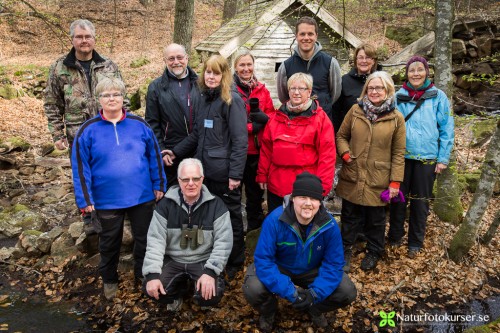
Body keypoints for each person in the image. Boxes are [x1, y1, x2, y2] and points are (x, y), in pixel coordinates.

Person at [71, 78, 166, 300]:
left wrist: (159, 184)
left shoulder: (139, 125)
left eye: (116, 94)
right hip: (106, 200)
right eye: (106, 95)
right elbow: (80, 167)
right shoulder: (87, 130)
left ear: (123, 97)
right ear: (98, 100)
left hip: (142, 196)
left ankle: (142, 276)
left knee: (144, 239)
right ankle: (110, 280)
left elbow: (154, 156)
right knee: (109, 243)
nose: (111, 98)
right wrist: (85, 200)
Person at [165, 55, 247, 279]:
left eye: (216, 73)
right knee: (208, 218)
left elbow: (240, 141)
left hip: (224, 175)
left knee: (231, 218)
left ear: (224, 76)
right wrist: (176, 151)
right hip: (204, 174)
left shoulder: (232, 101)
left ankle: (235, 261)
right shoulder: (202, 99)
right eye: (208, 72)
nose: (211, 77)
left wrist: (235, 175)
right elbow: (197, 135)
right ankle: (210, 258)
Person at [243, 172, 357, 331]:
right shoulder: (275, 220)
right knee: (253, 287)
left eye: (314, 199)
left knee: (347, 290)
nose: (308, 203)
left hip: (311, 270)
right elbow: (264, 261)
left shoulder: (329, 225)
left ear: (320, 202)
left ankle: (314, 308)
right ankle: (269, 311)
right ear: (293, 198)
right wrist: (290, 292)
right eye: (303, 197)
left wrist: (315, 294)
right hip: (280, 268)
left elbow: (334, 264)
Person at [336, 71, 406, 271]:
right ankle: (346, 249)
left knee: (376, 219)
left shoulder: (396, 118)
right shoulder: (355, 111)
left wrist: (395, 182)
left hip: (379, 177)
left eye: (379, 88)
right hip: (353, 172)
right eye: (371, 87)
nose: (374, 91)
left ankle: (374, 251)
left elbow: (399, 153)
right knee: (349, 214)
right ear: (366, 89)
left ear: (388, 90)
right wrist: (346, 155)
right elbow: (341, 136)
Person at [142, 158, 233, 311]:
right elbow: (155, 241)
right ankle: (177, 292)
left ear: (202, 179)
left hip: (202, 259)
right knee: (152, 288)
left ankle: (201, 292)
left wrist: (210, 272)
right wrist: (152, 274)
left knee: (212, 294)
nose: (191, 183)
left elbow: (223, 243)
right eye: (185, 179)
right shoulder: (164, 205)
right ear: (179, 180)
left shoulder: (217, 206)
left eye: (195, 178)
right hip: (173, 259)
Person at [388, 56, 454, 258]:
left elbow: (447, 128)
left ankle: (415, 242)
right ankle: (395, 237)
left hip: (427, 158)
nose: (416, 74)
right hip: (402, 157)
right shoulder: (398, 96)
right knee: (398, 199)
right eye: (411, 70)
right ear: (406, 74)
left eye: (420, 69)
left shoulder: (438, 96)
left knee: (420, 202)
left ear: (427, 71)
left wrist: (443, 158)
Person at [256, 73, 335, 213]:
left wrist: (322, 187)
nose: (296, 92)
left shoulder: (321, 119)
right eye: (293, 88)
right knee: (277, 224)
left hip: (305, 187)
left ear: (309, 92)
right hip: (277, 185)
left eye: (302, 88)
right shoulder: (275, 118)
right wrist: (262, 174)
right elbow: (266, 150)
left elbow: (327, 155)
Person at [44, 19, 126, 151]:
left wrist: (125, 127)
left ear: (94, 39)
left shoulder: (109, 66)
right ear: (72, 39)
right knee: (82, 172)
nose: (84, 40)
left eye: (88, 36)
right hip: (78, 137)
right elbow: (52, 103)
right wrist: (57, 135)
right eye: (79, 37)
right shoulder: (59, 68)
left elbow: (123, 99)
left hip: (109, 133)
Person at [145, 44, 201, 188]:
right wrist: (162, 151)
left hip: (199, 150)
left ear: (187, 58)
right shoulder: (156, 87)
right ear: (165, 61)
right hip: (171, 153)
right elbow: (152, 123)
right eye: (171, 58)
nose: (176, 62)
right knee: (173, 196)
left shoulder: (201, 84)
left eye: (179, 57)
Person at [232, 49, 274, 232]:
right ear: (235, 67)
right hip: (236, 152)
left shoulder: (262, 90)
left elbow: (272, 117)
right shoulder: (229, 90)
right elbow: (227, 123)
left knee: (255, 196)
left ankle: (254, 233)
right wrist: (250, 128)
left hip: (257, 152)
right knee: (233, 195)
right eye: (242, 65)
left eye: (249, 64)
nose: (246, 68)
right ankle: (233, 234)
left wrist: (266, 119)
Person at [276, 16, 341, 122]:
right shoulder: (285, 66)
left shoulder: (330, 63)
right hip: (295, 124)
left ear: (316, 36)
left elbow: (335, 94)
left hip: (322, 123)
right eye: (302, 34)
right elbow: (283, 97)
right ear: (296, 36)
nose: (306, 37)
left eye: (310, 34)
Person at [332, 43, 380, 133]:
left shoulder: (381, 80)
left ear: (374, 61)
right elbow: (336, 111)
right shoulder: (344, 81)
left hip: (376, 133)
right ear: (356, 60)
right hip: (350, 134)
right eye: (360, 57)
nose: (364, 61)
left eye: (368, 57)